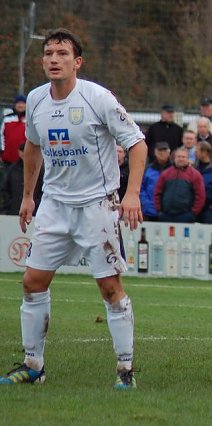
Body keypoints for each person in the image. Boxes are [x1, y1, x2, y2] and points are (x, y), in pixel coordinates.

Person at [1, 28, 146, 389]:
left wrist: (132, 194)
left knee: (110, 288)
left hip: (98, 206)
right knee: (32, 283)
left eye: (62, 53)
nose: (54, 59)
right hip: (53, 204)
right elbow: (32, 148)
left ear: (77, 62)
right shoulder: (35, 100)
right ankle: (33, 366)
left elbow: (138, 143)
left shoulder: (98, 98)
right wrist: (28, 196)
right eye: (49, 53)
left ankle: (125, 372)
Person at [154, 146, 205, 223]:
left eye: (183, 157)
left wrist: (193, 213)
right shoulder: (165, 174)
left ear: (188, 158)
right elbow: (157, 193)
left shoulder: (195, 175)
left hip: (186, 216)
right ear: (174, 158)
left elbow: (200, 196)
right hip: (166, 215)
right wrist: (159, 211)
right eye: (178, 157)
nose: (181, 159)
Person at [1, 143, 43, 214]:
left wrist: (36, 203)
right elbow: (5, 189)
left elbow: (42, 189)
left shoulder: (39, 170)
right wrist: (9, 204)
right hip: (13, 210)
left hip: (34, 211)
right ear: (19, 153)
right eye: (22, 151)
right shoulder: (12, 170)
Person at [140, 141, 172, 221]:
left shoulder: (174, 169)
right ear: (155, 153)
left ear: (169, 153)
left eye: (164, 151)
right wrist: (145, 203)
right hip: (149, 211)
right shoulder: (147, 169)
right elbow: (141, 187)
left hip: (169, 212)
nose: (162, 153)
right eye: (159, 151)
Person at [1, 94, 27, 166]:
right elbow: (1, 136)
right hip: (8, 157)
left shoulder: (30, 119)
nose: (20, 105)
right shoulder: (7, 119)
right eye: (18, 103)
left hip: (25, 158)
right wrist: (1, 151)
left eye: (23, 103)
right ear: (15, 105)